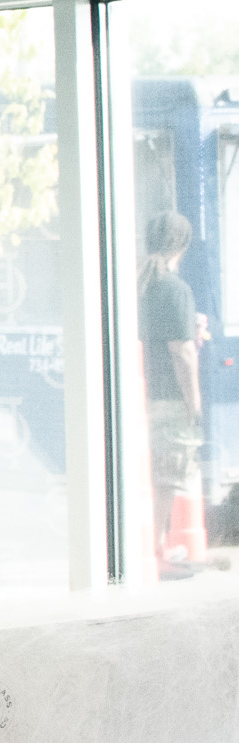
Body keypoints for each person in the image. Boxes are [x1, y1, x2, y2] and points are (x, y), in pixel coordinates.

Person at [139, 211, 204, 553]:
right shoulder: (175, 289)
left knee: (143, 473)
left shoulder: (136, 285)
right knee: (165, 478)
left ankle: (144, 546)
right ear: (182, 245)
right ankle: (156, 547)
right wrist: (194, 403)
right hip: (167, 396)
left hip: (136, 391)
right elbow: (183, 352)